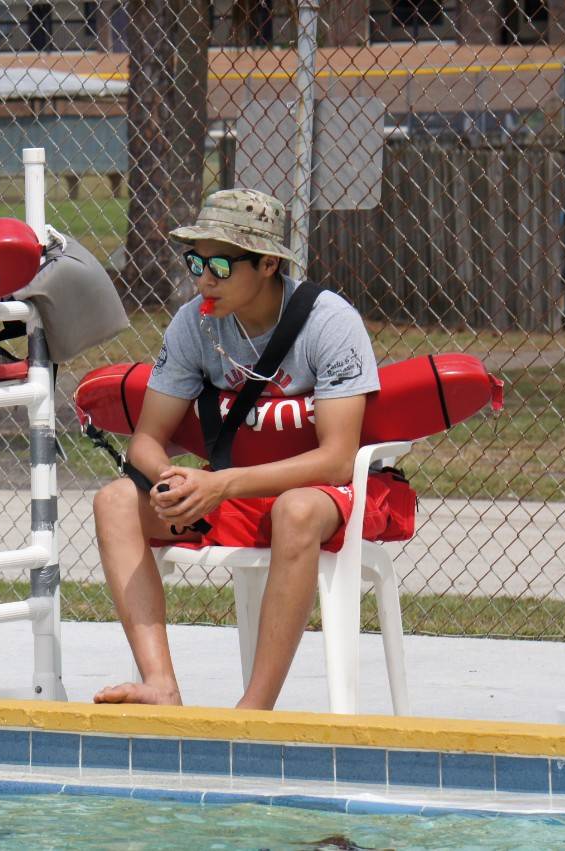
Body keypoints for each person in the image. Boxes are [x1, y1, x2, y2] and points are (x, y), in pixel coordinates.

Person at [91, 189, 382, 710]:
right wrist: (170, 480)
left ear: (268, 262)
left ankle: (254, 710)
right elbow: (145, 442)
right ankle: (160, 685)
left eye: (220, 263)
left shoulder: (329, 323)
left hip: (321, 495)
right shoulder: (194, 323)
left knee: (295, 509)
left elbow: (338, 458)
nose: (203, 279)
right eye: (196, 261)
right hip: (230, 492)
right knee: (115, 502)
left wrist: (220, 483)